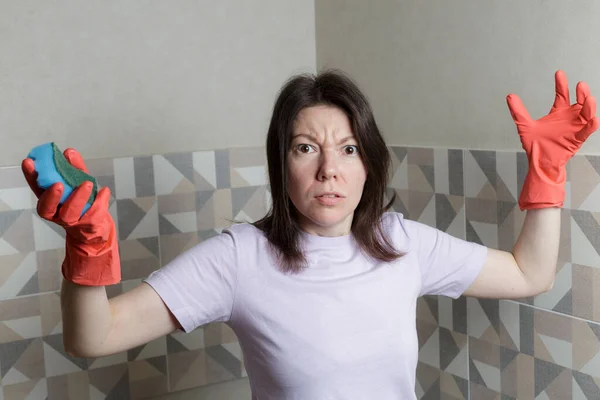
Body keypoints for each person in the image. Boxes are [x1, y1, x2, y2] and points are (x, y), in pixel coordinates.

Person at [21, 69, 598, 399]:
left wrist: (547, 173)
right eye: (306, 148)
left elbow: (531, 274)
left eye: (348, 149)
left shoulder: (405, 244)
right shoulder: (239, 259)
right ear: (282, 164)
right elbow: (93, 338)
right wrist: (88, 250)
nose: (329, 169)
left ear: (367, 163)